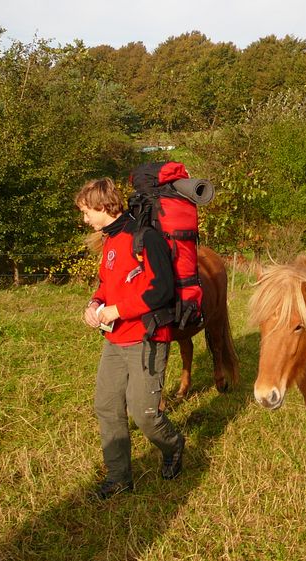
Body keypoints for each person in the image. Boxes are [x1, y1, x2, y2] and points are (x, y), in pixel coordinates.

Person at [76, 177, 185, 499]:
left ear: (102, 206)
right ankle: (119, 477)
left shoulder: (145, 238)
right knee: (106, 407)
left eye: (86, 212)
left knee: (145, 414)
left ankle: (174, 444)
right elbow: (107, 284)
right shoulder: (109, 242)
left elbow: (162, 290)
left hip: (147, 339)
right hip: (115, 341)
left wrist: (119, 310)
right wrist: (95, 304)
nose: (84, 219)